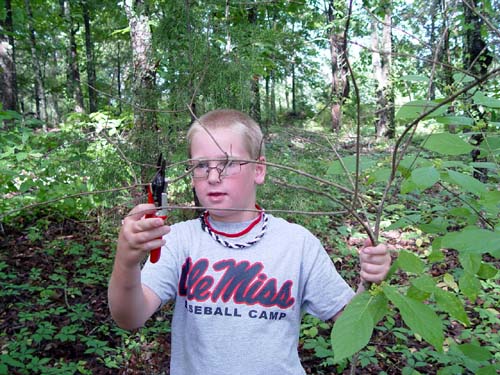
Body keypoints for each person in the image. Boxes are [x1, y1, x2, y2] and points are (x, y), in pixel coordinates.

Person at [108, 109, 391, 375]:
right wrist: (126, 259)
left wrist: (370, 284)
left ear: (259, 169)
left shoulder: (297, 244)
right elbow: (130, 317)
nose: (214, 177)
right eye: (201, 165)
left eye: (228, 163)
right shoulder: (179, 240)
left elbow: (349, 321)